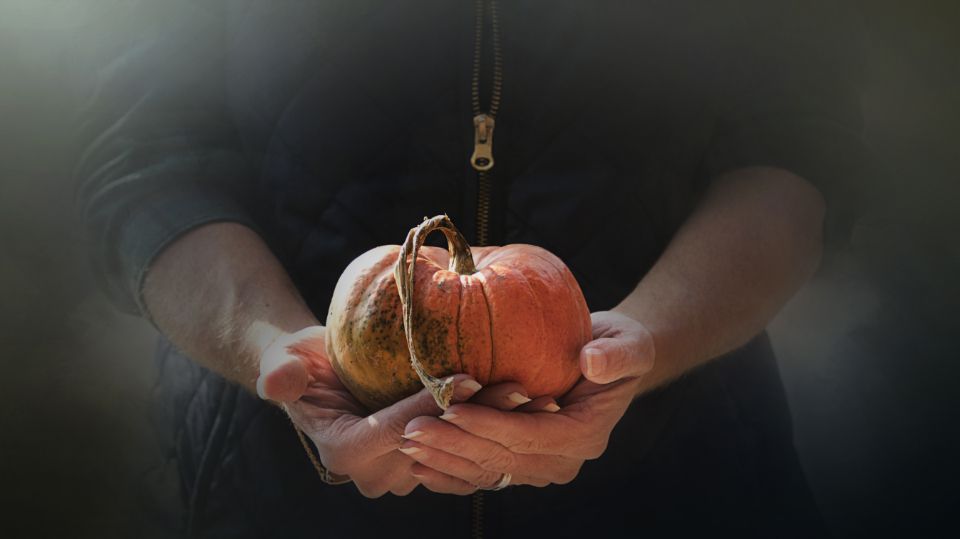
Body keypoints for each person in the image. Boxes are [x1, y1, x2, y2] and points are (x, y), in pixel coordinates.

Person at [76, 0, 865, 536]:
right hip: (275, 489)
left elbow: (796, 151)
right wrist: (271, 345)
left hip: (685, 479)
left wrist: (644, 343)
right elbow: (147, 166)